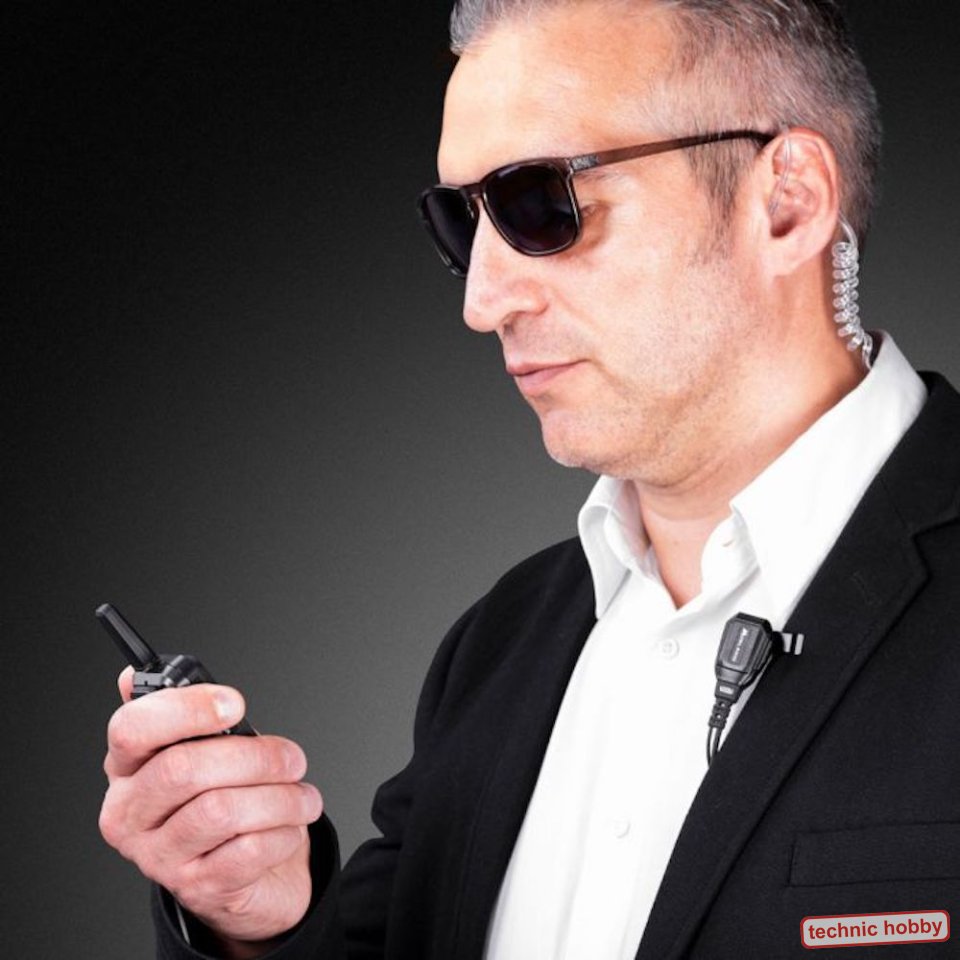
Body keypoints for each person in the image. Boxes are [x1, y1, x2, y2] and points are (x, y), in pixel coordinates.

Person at [99, 1, 960, 957]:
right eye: (461, 219)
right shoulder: (498, 647)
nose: (483, 300)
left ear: (787, 202)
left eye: (540, 203)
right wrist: (256, 922)